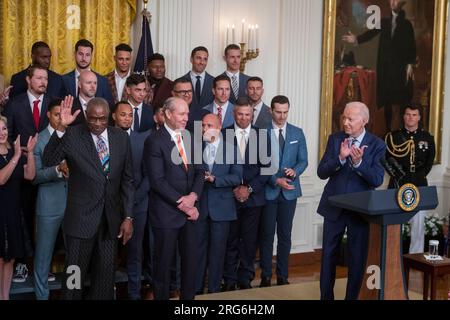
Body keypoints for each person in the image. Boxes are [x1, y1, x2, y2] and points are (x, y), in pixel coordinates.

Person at [43, 97, 134, 299]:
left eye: (102, 119)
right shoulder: (72, 135)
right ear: (86, 116)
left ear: (109, 116)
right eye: (93, 119)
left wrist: (128, 217)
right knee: (73, 280)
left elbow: (127, 180)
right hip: (80, 224)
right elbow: (49, 159)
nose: (98, 124)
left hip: (110, 224)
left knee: (104, 281)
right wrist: (60, 129)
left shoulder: (120, 137)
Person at [317, 102, 385, 300]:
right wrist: (339, 158)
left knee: (357, 259)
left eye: (351, 119)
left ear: (364, 121)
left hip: (360, 210)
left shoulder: (377, 145)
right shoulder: (335, 139)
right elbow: (322, 172)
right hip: (334, 207)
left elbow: (377, 179)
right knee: (328, 256)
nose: (345, 122)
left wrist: (358, 163)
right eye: (344, 118)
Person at [143, 97, 204, 300]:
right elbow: (157, 181)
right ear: (168, 114)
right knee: (163, 267)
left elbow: (200, 172)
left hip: (190, 214)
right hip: (166, 215)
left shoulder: (190, 137)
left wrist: (194, 196)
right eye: (181, 114)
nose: (186, 118)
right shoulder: (154, 141)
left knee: (190, 264)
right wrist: (186, 205)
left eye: (187, 113)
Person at [4, 65, 52, 283]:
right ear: (28, 80)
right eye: (39, 78)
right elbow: (7, 136)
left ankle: (44, 266)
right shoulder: (15, 104)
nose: (43, 81)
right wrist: (19, 155)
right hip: (21, 172)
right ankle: (22, 264)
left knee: (45, 221)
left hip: (47, 171)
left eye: (46, 78)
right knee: (23, 217)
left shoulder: (53, 103)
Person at [342, 0, 416, 132]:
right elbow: (371, 34)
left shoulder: (406, 24)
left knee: (401, 101)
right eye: (392, 0)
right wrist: (356, 39)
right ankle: (388, 131)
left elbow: (411, 46)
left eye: (396, 0)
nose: (393, 2)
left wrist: (410, 64)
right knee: (387, 101)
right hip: (386, 69)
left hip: (400, 70)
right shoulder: (384, 22)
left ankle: (403, 132)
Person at [222, 97, 271, 290]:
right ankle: (229, 279)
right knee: (230, 240)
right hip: (229, 197)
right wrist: (234, 188)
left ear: (253, 115)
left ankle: (245, 278)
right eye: (240, 114)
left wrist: (248, 189)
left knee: (250, 242)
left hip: (254, 198)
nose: (243, 118)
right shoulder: (224, 134)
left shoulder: (262, 135)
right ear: (234, 114)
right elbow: (220, 167)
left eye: (247, 114)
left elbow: (266, 169)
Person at [259, 95, 308, 287]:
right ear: (271, 111)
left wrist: (295, 171)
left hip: (290, 192)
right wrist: (275, 180)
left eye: (285, 112)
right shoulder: (261, 132)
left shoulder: (297, 132)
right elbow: (260, 163)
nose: (282, 116)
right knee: (266, 235)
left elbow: (303, 161)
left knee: (285, 236)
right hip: (269, 192)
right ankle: (265, 276)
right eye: (278, 112)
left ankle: (282, 276)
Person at [196, 113, 242, 294]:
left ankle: (214, 291)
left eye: (209, 126)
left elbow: (237, 177)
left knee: (217, 253)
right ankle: (197, 289)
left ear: (219, 127)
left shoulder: (231, 149)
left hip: (222, 209)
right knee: (198, 252)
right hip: (199, 208)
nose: (205, 129)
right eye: (203, 125)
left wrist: (215, 179)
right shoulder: (195, 148)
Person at [111, 101, 152, 300]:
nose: (127, 118)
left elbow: (149, 175)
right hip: (110, 207)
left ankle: (135, 295)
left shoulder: (142, 140)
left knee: (135, 254)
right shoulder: (104, 139)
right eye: (123, 115)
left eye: (130, 115)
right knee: (107, 254)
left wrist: (132, 200)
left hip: (138, 205)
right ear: (114, 116)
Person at [385, 105, 435, 253]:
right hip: (397, 181)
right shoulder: (394, 137)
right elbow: (386, 159)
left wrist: (419, 175)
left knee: (418, 221)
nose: (410, 118)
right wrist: (397, 175)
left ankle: (416, 255)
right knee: (393, 219)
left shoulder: (427, 138)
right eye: (408, 114)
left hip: (418, 182)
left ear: (419, 117)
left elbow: (429, 161)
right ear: (403, 116)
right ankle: (392, 254)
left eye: (414, 115)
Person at [32, 99, 68, 300]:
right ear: (48, 115)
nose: (60, 118)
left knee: (74, 257)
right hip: (48, 206)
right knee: (43, 258)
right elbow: (35, 176)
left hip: (73, 205)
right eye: (57, 115)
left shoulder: (72, 136)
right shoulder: (39, 140)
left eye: (63, 115)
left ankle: (72, 294)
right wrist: (57, 170)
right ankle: (42, 297)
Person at [0, 116, 37, 300]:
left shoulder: (12, 151)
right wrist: (16, 156)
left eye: (4, 129)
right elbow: (1, 179)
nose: (2, 133)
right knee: (0, 258)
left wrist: (29, 152)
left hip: (13, 212)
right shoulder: (13, 154)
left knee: (10, 259)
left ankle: (5, 297)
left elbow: (30, 176)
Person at [62, 39, 114, 105]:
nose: (84, 58)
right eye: (80, 54)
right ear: (75, 54)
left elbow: (109, 106)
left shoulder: (102, 81)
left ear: (91, 56)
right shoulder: (64, 80)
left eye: (87, 55)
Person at [182, 46, 214, 113]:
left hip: (207, 121)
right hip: (186, 121)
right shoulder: (181, 81)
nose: (202, 62)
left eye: (205, 59)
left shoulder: (214, 82)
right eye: (198, 58)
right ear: (191, 59)